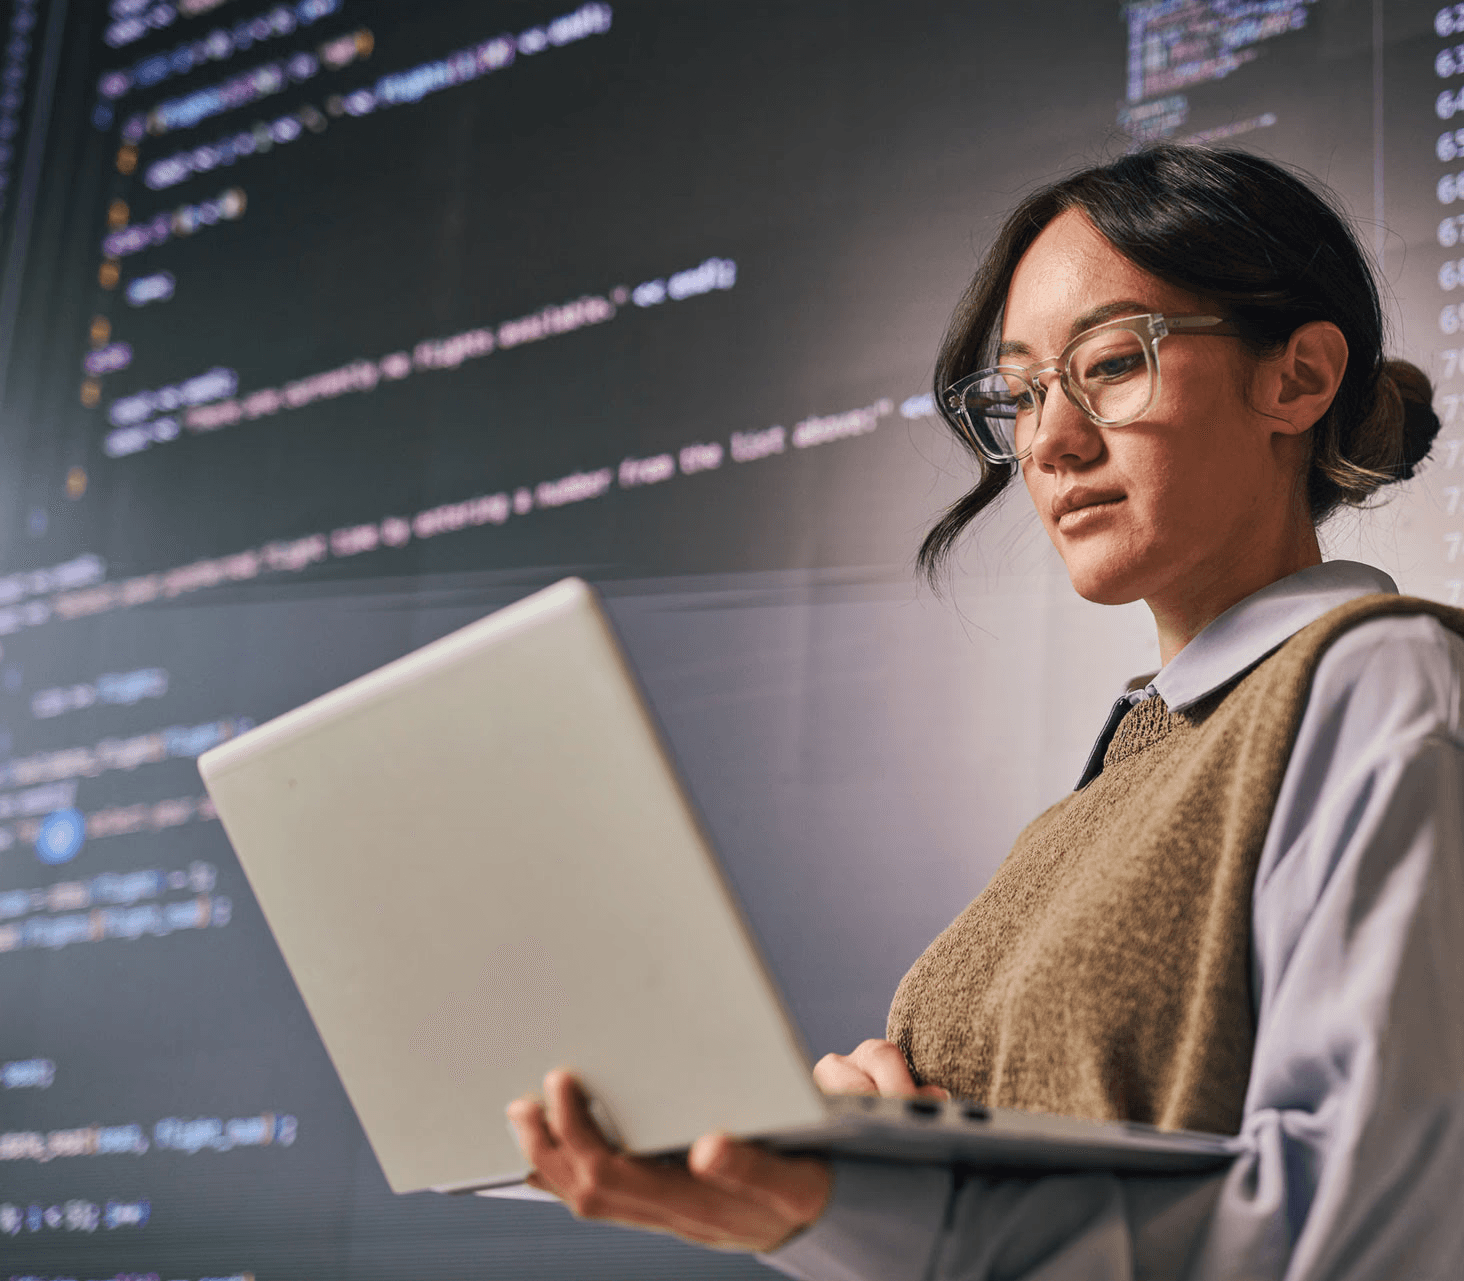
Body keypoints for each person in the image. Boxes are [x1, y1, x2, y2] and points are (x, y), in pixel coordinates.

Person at [506, 144, 1464, 1278]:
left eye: (1111, 363)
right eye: (1018, 393)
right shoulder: (1093, 804)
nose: (1049, 444)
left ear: (1298, 379)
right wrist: (867, 1166)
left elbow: (1366, 1239)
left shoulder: (1383, 685)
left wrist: (854, 1212)